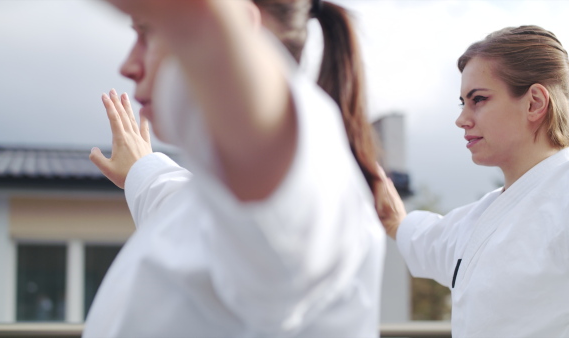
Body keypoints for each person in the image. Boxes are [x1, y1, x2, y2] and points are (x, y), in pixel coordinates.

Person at [84, 0, 385, 337]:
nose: (128, 65)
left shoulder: (313, 181)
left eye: (147, 32)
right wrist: (140, 168)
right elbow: (168, 197)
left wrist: (202, 25)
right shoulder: (206, 202)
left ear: (241, 23)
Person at [379, 25, 569, 337]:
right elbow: (422, 237)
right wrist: (388, 210)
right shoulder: (477, 220)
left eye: (478, 99)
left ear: (534, 103)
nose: (462, 119)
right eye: (463, 102)